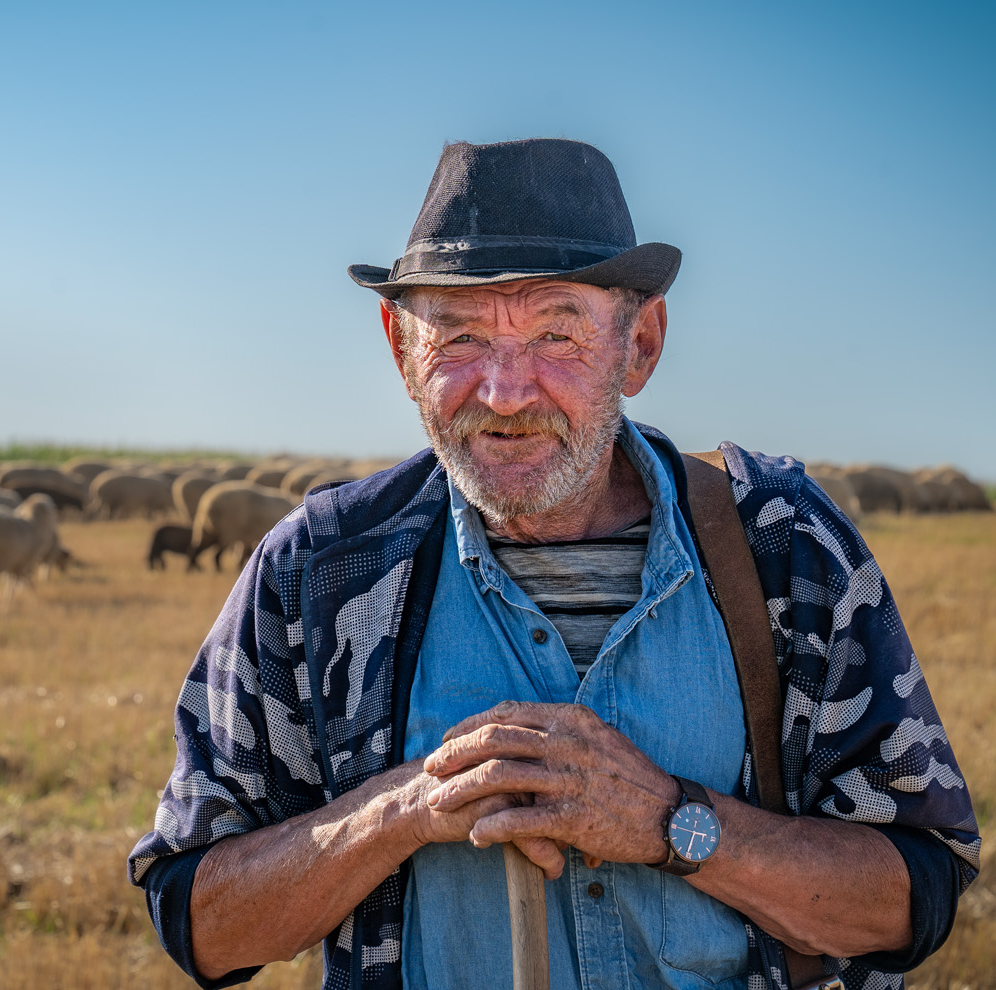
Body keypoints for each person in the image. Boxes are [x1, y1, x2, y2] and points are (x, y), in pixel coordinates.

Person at [129, 139, 979, 990]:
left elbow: (916, 898)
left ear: (640, 345)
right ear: (400, 349)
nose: (505, 392)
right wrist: (404, 809)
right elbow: (200, 923)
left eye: (556, 336)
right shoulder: (322, 568)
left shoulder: (783, 545)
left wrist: (670, 822)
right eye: (459, 337)